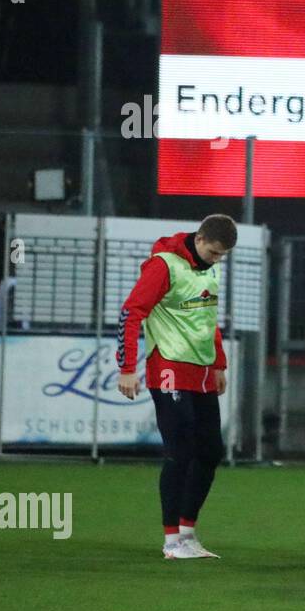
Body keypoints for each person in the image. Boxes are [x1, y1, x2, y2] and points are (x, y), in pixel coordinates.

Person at [117, 214, 237, 559]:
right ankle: (171, 541)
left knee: (211, 451)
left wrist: (218, 363)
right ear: (199, 240)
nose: (217, 260)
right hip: (168, 366)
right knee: (180, 450)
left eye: (222, 256)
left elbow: (207, 319)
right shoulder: (163, 265)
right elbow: (131, 312)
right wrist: (127, 368)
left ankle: (187, 533)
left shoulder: (207, 269)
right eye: (214, 253)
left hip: (201, 371)